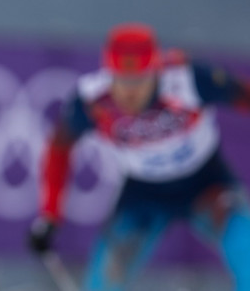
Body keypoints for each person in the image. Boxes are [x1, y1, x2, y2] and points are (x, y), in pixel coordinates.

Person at [28, 23, 250, 291]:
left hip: (207, 184)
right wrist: (50, 214)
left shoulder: (187, 78)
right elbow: (59, 147)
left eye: (138, 80)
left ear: (155, 71)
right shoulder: (94, 100)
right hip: (143, 194)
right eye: (120, 79)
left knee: (246, 252)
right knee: (104, 282)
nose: (128, 91)